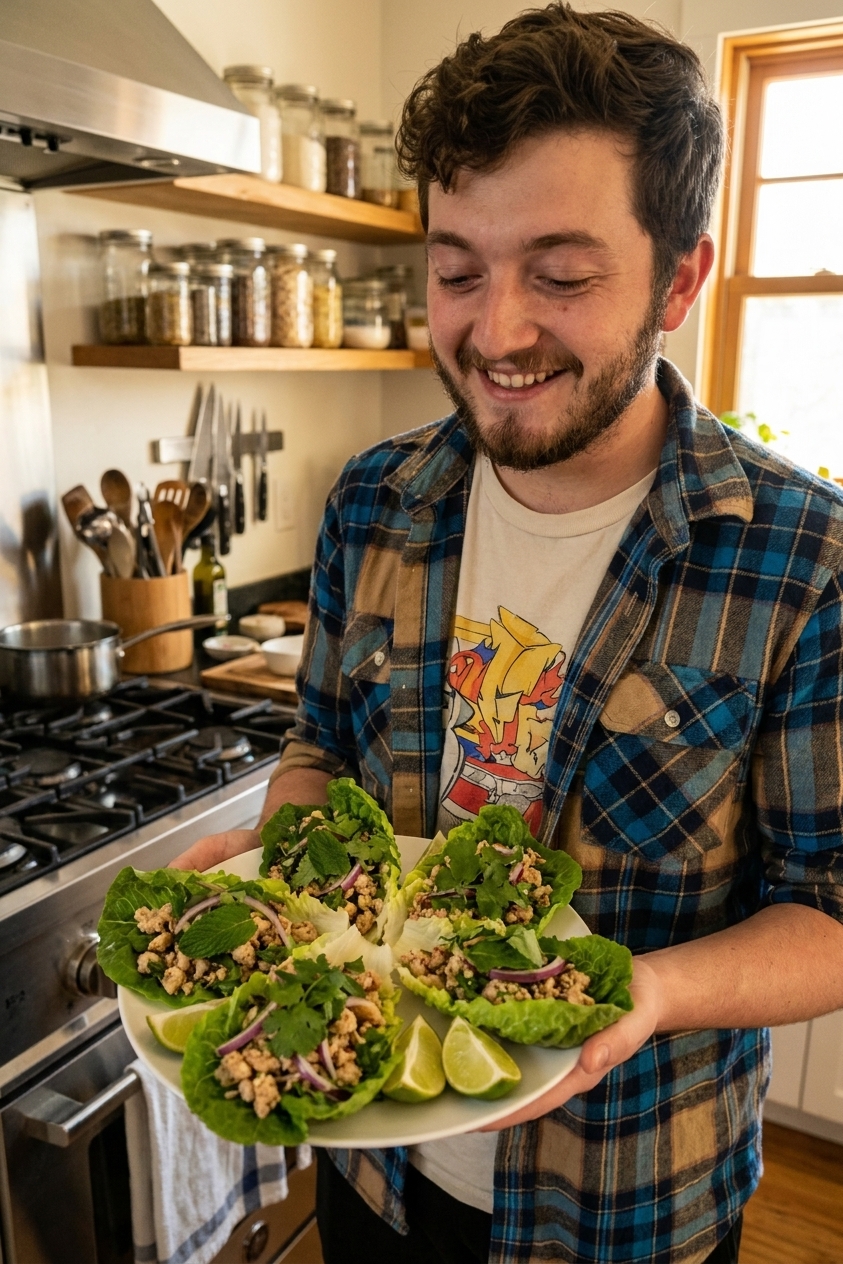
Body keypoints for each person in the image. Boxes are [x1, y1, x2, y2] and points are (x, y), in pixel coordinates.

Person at [172, 6, 843, 1262]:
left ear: (681, 279)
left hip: (631, 1201)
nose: (496, 332)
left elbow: (834, 911)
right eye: (457, 269)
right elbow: (321, 744)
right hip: (372, 1164)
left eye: (562, 273)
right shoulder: (373, 500)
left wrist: (647, 992)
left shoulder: (802, 560)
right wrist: (283, 858)